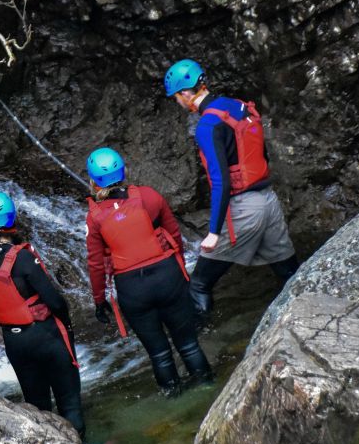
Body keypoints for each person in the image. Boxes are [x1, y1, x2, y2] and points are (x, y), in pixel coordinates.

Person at [163, 59, 300, 320]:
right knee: (290, 274)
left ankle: (204, 348)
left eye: (176, 97)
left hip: (244, 211)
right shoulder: (236, 106)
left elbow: (220, 181)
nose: (178, 103)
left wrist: (214, 232)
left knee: (199, 284)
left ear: (185, 93)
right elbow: (261, 154)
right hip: (268, 202)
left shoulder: (207, 126)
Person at [84, 147, 213, 396]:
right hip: (168, 277)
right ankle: (207, 387)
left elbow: (96, 263)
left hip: (133, 289)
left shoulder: (95, 218)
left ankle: (174, 401)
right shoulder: (149, 196)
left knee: (160, 354)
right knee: (188, 344)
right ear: (123, 171)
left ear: (93, 180)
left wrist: (99, 301)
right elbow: (174, 234)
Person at [0, 192, 85, 437]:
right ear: (12, 219)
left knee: (38, 407)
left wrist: (5, 316)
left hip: (15, 341)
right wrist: (64, 322)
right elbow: (54, 301)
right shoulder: (22, 256)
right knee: (69, 403)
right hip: (47, 336)